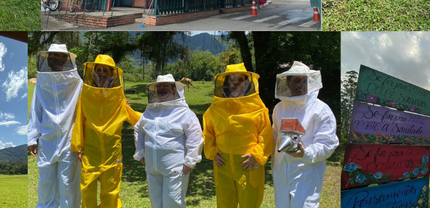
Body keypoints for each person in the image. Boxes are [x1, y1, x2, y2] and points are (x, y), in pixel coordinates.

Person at [71, 54, 141, 208]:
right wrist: (77, 146)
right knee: (87, 191)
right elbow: (79, 121)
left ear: (111, 74)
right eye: (99, 69)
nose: (102, 73)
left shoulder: (118, 97)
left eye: (106, 70)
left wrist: (157, 119)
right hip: (90, 152)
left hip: (112, 153)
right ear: (93, 72)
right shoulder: (86, 94)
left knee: (110, 194)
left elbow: (134, 117)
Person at [203, 63, 273, 208]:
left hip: (248, 165)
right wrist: (212, 152)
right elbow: (208, 133)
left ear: (247, 83)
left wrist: (256, 155)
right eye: (232, 80)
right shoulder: (215, 108)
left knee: (250, 204)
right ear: (226, 83)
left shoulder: (259, 109)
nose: (235, 84)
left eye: (240, 80)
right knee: (225, 204)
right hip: (223, 165)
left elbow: (266, 136)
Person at [272, 62, 339, 208]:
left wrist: (305, 153)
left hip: (306, 176)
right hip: (281, 176)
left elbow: (328, 144)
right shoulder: (279, 108)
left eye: (305, 81)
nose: (301, 85)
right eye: (297, 81)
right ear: (287, 82)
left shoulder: (321, 110)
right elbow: (273, 136)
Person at [134, 75, 203, 208]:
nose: (161, 89)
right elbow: (138, 129)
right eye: (159, 86)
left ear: (173, 89)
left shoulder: (184, 113)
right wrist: (140, 153)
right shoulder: (150, 111)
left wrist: (190, 161)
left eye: (165, 86)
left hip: (175, 168)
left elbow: (195, 136)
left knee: (173, 203)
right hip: (152, 167)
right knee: (156, 202)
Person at [28, 44, 83, 208]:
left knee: (69, 186)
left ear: (66, 58)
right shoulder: (42, 82)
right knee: (46, 183)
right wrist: (32, 137)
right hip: (47, 139)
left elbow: (89, 106)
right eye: (50, 54)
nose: (52, 57)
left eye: (57, 55)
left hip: (70, 141)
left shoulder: (77, 82)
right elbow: (36, 109)